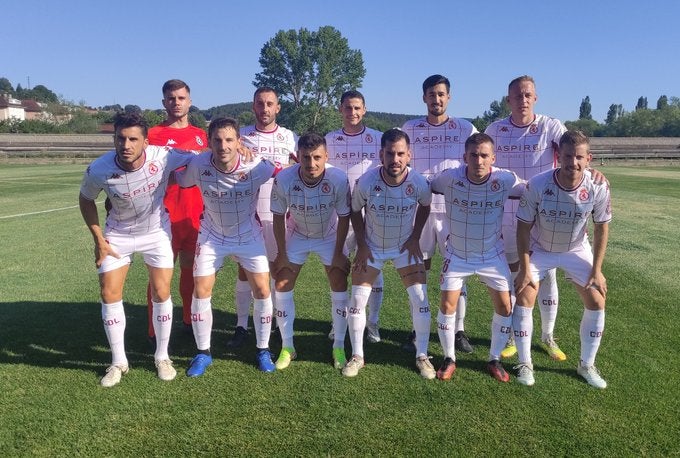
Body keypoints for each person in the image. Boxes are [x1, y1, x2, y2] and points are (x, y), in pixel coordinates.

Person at [79, 112, 194, 387]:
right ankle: (118, 362)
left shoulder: (163, 156)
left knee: (161, 291)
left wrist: (237, 146)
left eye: (133, 139)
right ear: (114, 138)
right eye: (121, 138)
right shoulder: (99, 169)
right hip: (117, 235)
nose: (126, 145)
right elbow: (85, 200)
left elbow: (200, 155)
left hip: (156, 233)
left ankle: (162, 357)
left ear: (145, 141)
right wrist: (99, 239)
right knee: (109, 293)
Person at [176, 117, 278, 376]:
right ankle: (203, 352)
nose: (223, 146)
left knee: (263, 289)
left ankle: (263, 349)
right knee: (201, 290)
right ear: (209, 142)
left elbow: (284, 170)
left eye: (229, 140)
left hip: (247, 235)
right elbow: (178, 178)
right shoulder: (199, 164)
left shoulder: (255, 165)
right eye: (218, 140)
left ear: (238, 142)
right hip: (212, 235)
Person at [512, 130, 611, 388]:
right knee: (524, 294)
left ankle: (586, 365)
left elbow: (601, 227)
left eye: (579, 157)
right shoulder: (539, 183)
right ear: (559, 156)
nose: (573, 162)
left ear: (589, 158)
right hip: (540, 248)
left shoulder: (598, 186)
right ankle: (525, 363)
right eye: (568, 156)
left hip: (575, 249)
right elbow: (523, 227)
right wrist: (524, 268)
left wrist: (597, 270)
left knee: (597, 298)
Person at [484, 75, 568, 361]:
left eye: (528, 95)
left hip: (545, 213)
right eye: (517, 96)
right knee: (511, 274)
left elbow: (572, 153)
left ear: (535, 98)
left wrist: (590, 172)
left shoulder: (550, 126)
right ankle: (510, 334)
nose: (523, 100)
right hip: (507, 213)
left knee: (547, 275)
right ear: (508, 100)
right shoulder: (495, 129)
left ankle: (547, 337)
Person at [430, 133, 525, 382]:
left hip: (491, 255)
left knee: (505, 306)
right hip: (457, 254)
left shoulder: (505, 179)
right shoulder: (450, 178)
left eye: (484, 155)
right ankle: (449, 357)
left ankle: (494, 358)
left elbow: (535, 188)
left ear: (493, 158)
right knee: (447, 305)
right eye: (474, 155)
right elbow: (425, 183)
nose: (479, 160)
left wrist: (588, 175)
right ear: (465, 157)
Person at [344, 128, 434, 379]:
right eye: (390, 154)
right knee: (358, 301)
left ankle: (422, 355)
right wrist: (362, 245)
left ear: (409, 156)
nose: (395, 159)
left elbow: (425, 206)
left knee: (420, 298)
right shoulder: (367, 181)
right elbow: (355, 211)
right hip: (372, 247)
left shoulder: (418, 182)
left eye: (400, 154)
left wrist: (416, 237)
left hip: (404, 247)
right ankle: (358, 356)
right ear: (381, 154)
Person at [401, 74, 478, 353]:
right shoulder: (409, 128)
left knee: (457, 271)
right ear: (424, 97)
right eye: (432, 94)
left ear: (449, 96)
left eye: (441, 94)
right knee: (418, 269)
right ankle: (416, 328)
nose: (437, 99)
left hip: (454, 212)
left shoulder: (465, 128)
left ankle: (458, 331)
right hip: (419, 211)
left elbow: (480, 159)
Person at [270, 133, 351, 370]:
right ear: (297, 157)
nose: (312, 164)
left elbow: (345, 217)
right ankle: (287, 347)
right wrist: (281, 253)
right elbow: (277, 217)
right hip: (297, 234)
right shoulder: (284, 178)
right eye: (306, 157)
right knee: (282, 284)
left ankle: (338, 345)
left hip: (329, 234)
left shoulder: (338, 178)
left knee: (339, 281)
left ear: (326, 156)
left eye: (317, 157)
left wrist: (338, 254)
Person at [228, 87, 297, 349]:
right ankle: (241, 326)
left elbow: (300, 166)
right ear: (253, 106)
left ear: (278, 107)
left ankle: (278, 324)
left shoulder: (289, 137)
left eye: (270, 104)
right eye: (260, 103)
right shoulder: (240, 136)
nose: (265, 108)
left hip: (280, 215)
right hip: (248, 215)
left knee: (280, 270)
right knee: (245, 271)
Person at [145, 79, 208, 342]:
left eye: (181, 98)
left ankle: (187, 320)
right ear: (164, 102)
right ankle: (153, 330)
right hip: (164, 216)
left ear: (189, 101)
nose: (176, 102)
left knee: (193, 272)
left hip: (196, 214)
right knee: (160, 276)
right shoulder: (151, 135)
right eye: (171, 98)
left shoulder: (201, 136)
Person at [325, 90, 384, 343]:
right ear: (340, 109)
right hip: (336, 214)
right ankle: (337, 320)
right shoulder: (329, 139)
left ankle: (372, 323)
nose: (353, 113)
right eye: (348, 108)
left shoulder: (378, 139)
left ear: (365, 109)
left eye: (357, 108)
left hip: (368, 214)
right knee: (337, 268)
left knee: (373, 269)